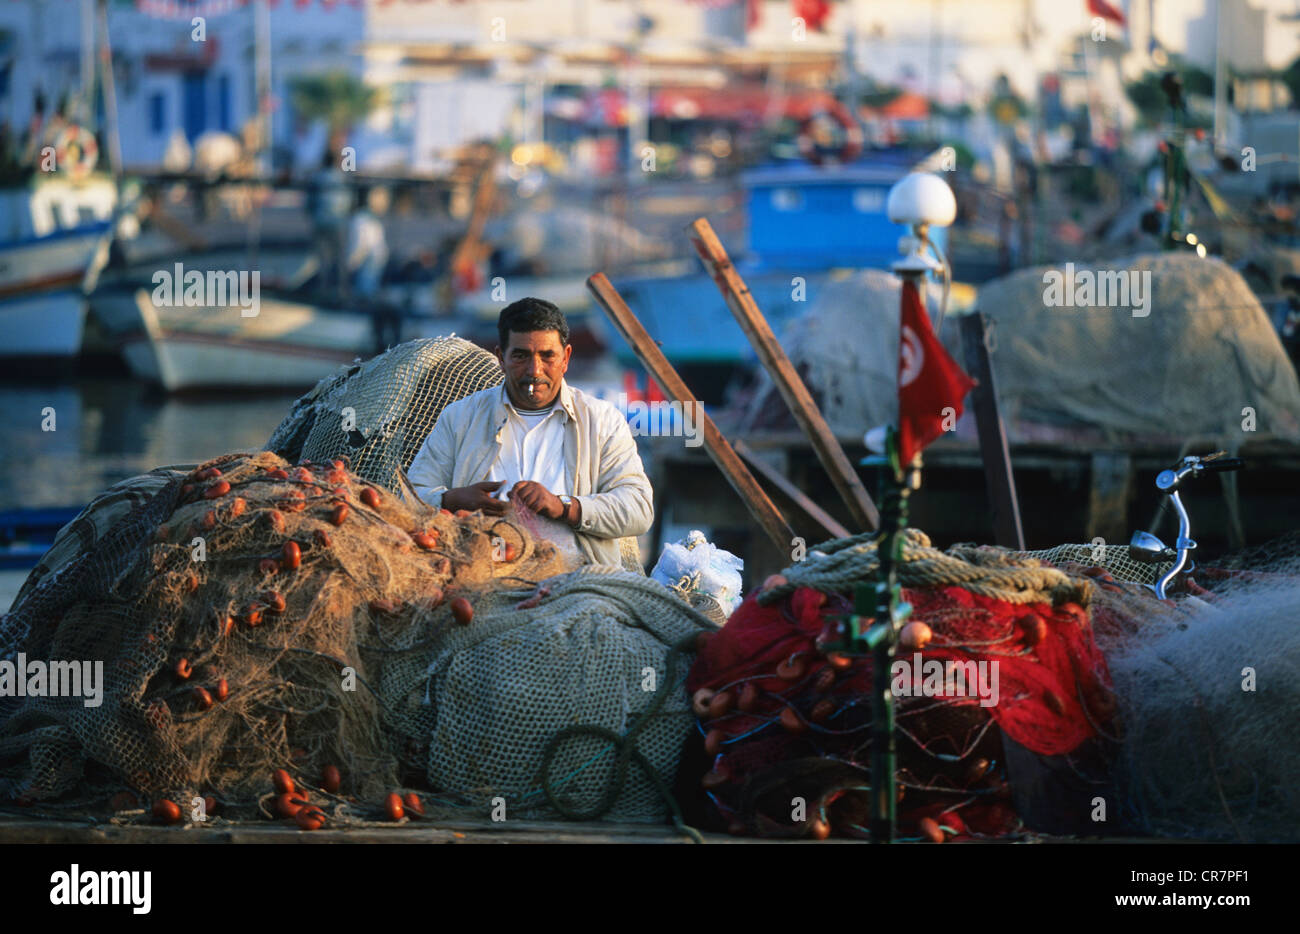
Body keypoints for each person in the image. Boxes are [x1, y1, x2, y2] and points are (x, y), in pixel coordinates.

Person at [406, 298, 652, 567]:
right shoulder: (459, 417)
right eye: (521, 356)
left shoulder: (603, 420)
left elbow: (638, 508)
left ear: (566, 358)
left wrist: (565, 506)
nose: (535, 371)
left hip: (579, 578)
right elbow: (409, 498)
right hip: (477, 573)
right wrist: (450, 499)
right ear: (501, 358)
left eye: (547, 356)